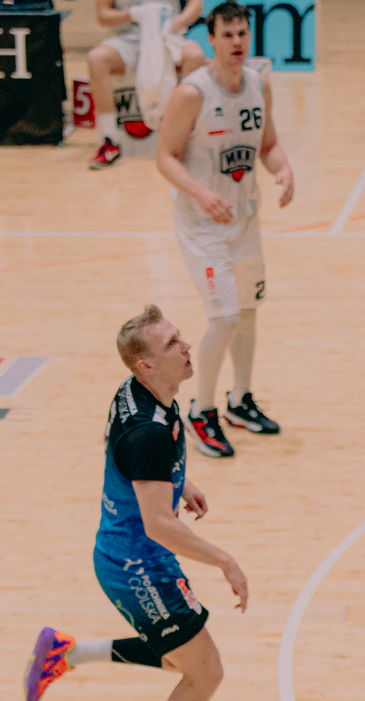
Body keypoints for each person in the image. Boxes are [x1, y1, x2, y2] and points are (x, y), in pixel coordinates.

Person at [24, 304, 249, 701]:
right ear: (145, 364)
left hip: (131, 555)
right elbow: (159, 525)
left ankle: (66, 653)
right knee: (204, 672)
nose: (186, 346)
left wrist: (176, 481)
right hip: (138, 567)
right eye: (171, 344)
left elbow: (132, 461)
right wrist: (225, 561)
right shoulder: (147, 433)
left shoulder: (139, 393)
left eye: (179, 336)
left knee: (179, 655)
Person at [157, 2, 293, 459]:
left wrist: (283, 168)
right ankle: (201, 411)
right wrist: (200, 193)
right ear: (211, 39)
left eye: (242, 34)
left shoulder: (258, 84)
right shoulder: (191, 93)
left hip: (244, 217)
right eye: (228, 34)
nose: (237, 42)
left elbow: (268, 145)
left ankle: (240, 400)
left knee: (249, 310)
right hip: (202, 225)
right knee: (225, 317)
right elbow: (165, 157)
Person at [87, 0, 207, 170]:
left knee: (194, 56)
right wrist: (132, 15)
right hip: (128, 39)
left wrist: (178, 22)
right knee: (96, 59)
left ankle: (184, 142)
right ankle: (109, 143)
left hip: (168, 36)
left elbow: (196, 4)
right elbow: (103, 15)